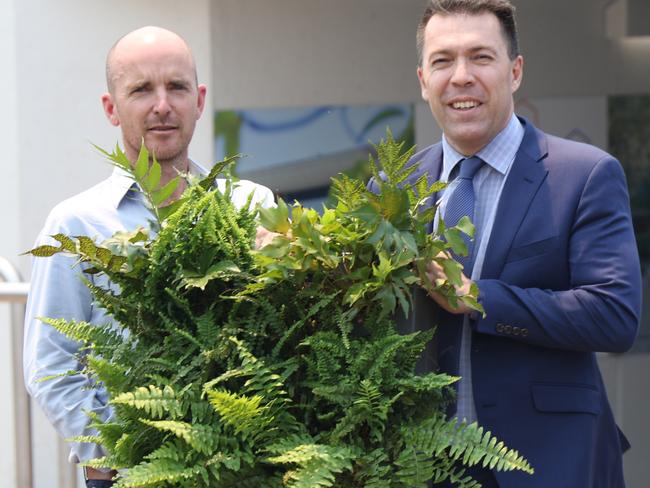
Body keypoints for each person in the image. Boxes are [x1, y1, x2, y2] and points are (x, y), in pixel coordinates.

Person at [371, 1, 641, 486]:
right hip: (423, 469)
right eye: (442, 60)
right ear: (421, 79)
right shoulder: (394, 189)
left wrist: (477, 298)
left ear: (514, 72)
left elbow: (614, 317)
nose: (461, 77)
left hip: (552, 464)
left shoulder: (583, 175)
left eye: (480, 57)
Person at [23, 26, 274, 487]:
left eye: (176, 87)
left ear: (198, 100)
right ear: (111, 109)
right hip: (127, 474)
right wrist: (110, 448)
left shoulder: (253, 206)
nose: (162, 105)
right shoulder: (76, 224)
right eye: (141, 89)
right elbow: (50, 362)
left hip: (243, 469)